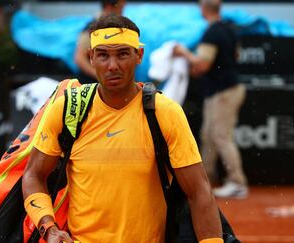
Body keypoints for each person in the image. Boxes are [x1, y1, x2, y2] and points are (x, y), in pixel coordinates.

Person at [22, 14, 223, 243]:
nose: (112, 66)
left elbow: (199, 191)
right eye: (103, 55)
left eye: (123, 54)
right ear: (91, 57)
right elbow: (33, 175)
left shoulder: (164, 113)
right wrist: (48, 227)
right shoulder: (69, 109)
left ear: (139, 55)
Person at [173, 0, 248, 199]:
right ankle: (205, 180)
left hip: (224, 91)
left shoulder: (212, 32)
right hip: (224, 89)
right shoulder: (230, 29)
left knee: (221, 136)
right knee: (208, 135)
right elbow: (237, 55)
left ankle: (237, 182)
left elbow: (203, 65)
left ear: (204, 9)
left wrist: (183, 53)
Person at [74, 0, 125, 84]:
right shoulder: (91, 28)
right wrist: (98, 75)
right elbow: (79, 57)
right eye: (121, 8)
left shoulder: (119, 26)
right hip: (91, 83)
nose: (122, 12)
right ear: (109, 7)